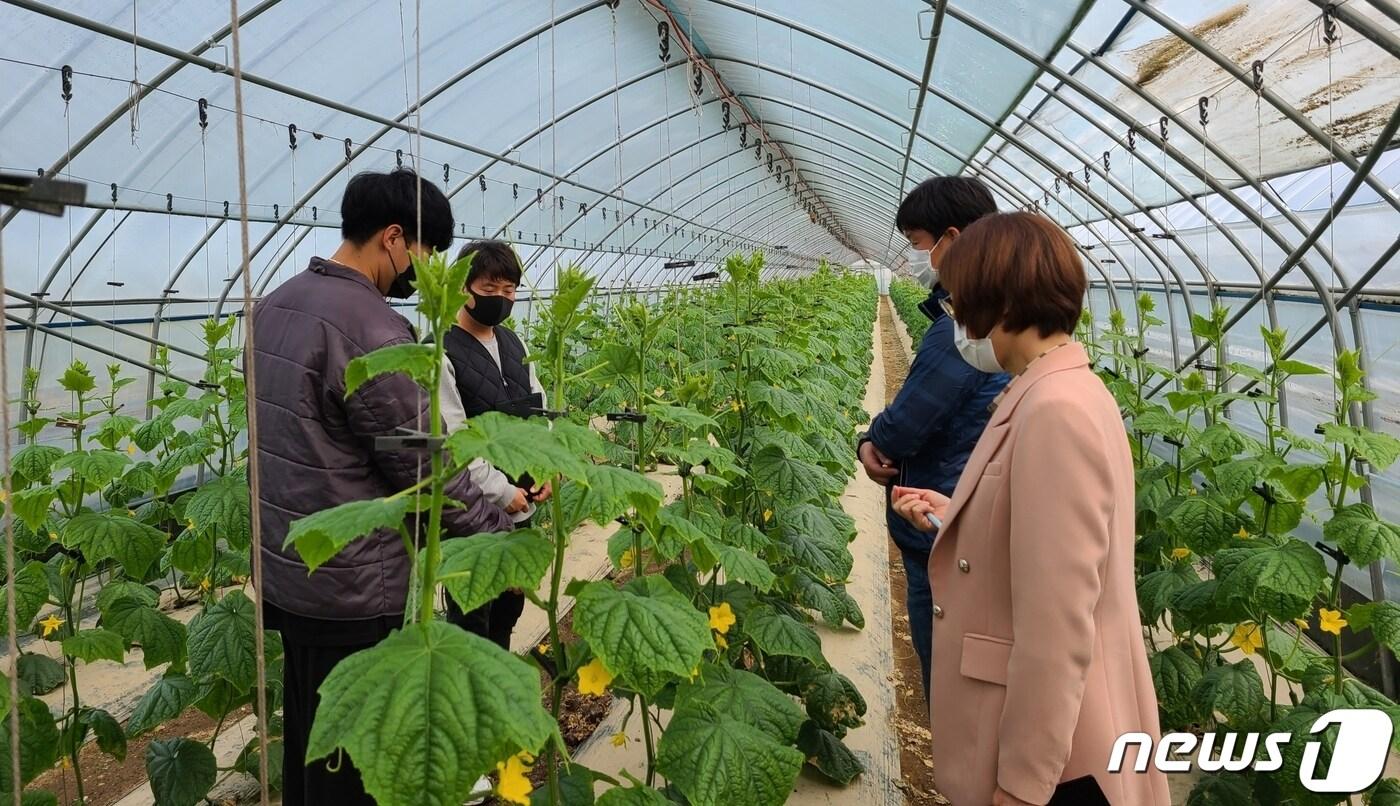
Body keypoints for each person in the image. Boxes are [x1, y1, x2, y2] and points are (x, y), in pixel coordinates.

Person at [250, 168, 513, 805]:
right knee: (364, 769)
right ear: (394, 238)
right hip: (358, 586)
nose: (424, 274)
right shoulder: (370, 327)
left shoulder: (275, 304)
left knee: (318, 741)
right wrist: (497, 535)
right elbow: (416, 457)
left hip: (295, 564)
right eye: (425, 255)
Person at [892, 212, 1168, 806]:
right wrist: (958, 510)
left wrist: (1021, 784)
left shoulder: (1054, 411)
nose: (957, 317)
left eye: (961, 299)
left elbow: (1058, 624)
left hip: (1060, 761)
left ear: (998, 300)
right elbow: (1041, 536)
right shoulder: (1061, 387)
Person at [857, 176, 1008, 697]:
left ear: (952, 237)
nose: (919, 258)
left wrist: (870, 437)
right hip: (967, 502)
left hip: (943, 512)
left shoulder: (965, 325)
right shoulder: (993, 317)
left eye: (920, 245)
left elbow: (907, 423)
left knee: (945, 664)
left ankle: (957, 757)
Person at [436, 239, 551, 650]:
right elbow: (453, 440)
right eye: (490, 290)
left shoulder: (514, 343)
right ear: (463, 288)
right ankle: (468, 707)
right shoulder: (441, 350)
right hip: (473, 510)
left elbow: (537, 409)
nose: (501, 300)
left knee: (508, 607)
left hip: (523, 499)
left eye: (509, 291)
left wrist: (543, 468)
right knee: (472, 613)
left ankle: (497, 694)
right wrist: (502, 493)